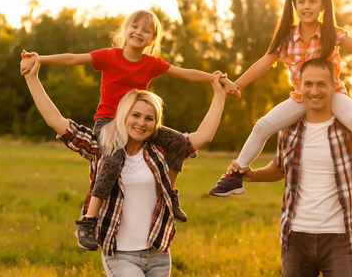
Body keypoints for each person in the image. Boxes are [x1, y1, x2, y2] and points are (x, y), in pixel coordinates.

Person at [20, 9, 239, 250]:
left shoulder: (151, 64)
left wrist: (218, 80)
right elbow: (73, 59)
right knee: (112, 159)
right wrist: (40, 58)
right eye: (135, 26)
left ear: (152, 40)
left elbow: (184, 73)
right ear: (125, 30)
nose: (139, 32)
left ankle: (170, 192)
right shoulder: (108, 56)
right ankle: (88, 221)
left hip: (138, 122)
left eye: (147, 30)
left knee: (177, 141)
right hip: (108, 123)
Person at [209, 0, 352, 197]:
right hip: (301, 98)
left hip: (333, 95)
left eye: (312, 1)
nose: (306, 6)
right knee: (262, 126)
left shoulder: (331, 33)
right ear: (294, 6)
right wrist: (237, 85)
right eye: (301, 2)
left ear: (322, 6)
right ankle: (236, 176)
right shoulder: (286, 38)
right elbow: (264, 63)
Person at [22, 56, 226, 276]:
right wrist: (32, 78)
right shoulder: (102, 147)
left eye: (149, 118)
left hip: (158, 252)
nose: (141, 123)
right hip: (120, 255)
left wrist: (219, 94)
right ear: (122, 116)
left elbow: (205, 135)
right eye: (135, 115)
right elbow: (57, 122)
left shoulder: (159, 153)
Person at [234, 58, 352, 276]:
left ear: (333, 86)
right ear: (299, 86)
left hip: (341, 240)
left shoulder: (351, 130)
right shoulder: (289, 130)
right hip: (296, 237)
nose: (314, 91)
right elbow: (279, 168)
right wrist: (252, 174)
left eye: (321, 84)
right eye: (308, 84)